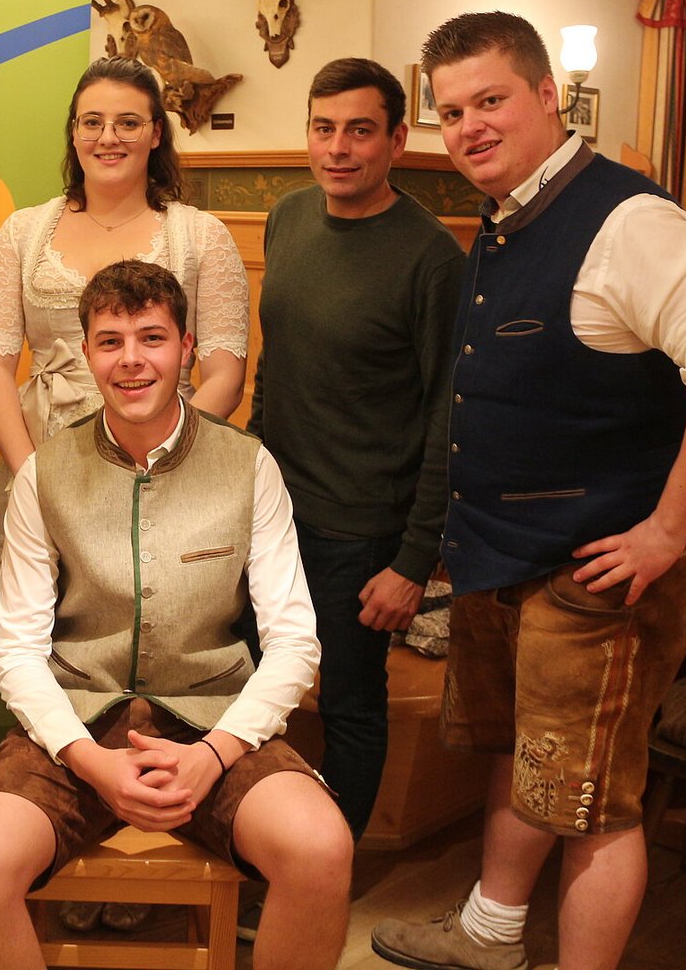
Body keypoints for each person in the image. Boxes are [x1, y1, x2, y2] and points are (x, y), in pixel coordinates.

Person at [370, 11, 686, 970]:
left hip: (596, 578)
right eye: (450, 111)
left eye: (491, 100)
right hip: (503, 565)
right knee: (530, 761)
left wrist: (666, 533)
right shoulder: (508, 219)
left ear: (550, 95)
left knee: (593, 803)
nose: (468, 126)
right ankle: (491, 934)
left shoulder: (629, 220)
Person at [0, 261, 353, 970]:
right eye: (110, 341)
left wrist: (214, 754)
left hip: (214, 719)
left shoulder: (249, 466)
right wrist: (90, 762)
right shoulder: (46, 472)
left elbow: (293, 642)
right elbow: (16, 649)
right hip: (77, 723)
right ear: (86, 353)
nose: (131, 359)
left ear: (186, 348)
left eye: (152, 338)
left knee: (321, 848)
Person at [0, 55, 249, 674]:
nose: (108, 137)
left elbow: (226, 372)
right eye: (91, 121)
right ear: (73, 133)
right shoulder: (22, 233)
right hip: (43, 452)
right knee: (40, 643)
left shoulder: (202, 236)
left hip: (167, 466)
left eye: (128, 122)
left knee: (152, 634)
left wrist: (158, 462)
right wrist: (33, 474)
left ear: (156, 133)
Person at [249, 57, 463, 841]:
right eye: (324, 128)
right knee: (249, 687)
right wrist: (249, 470)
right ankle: (256, 847)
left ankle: (325, 870)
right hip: (271, 514)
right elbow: (276, 361)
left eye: (360, 131)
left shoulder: (433, 259)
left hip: (361, 534)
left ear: (397, 140)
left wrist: (413, 561)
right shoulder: (288, 216)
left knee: (348, 703)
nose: (338, 148)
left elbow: (450, 418)